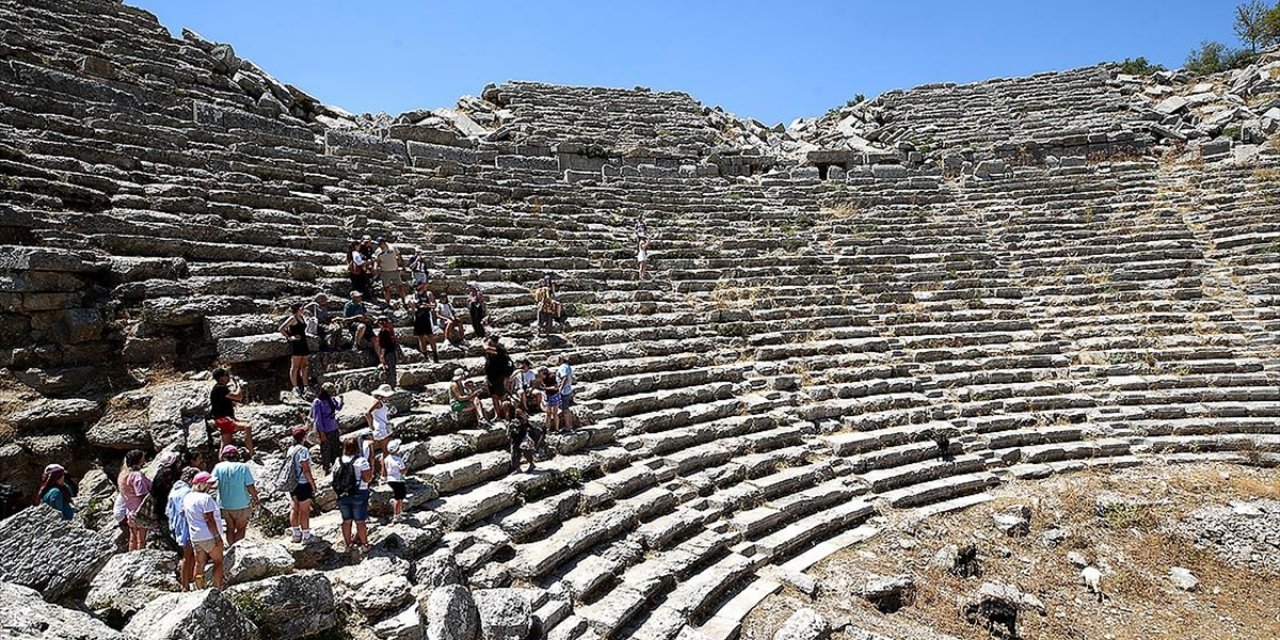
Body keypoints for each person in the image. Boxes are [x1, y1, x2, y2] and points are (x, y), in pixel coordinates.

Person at [183, 472, 225, 590]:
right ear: (203, 485)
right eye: (209, 483)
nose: (211, 486)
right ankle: (217, 587)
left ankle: (199, 588)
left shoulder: (187, 497)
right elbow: (209, 520)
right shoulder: (206, 498)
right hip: (209, 535)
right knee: (218, 561)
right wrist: (217, 537)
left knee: (199, 563)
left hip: (195, 536)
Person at [212, 445, 259, 545]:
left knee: (230, 527)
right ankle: (236, 549)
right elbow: (249, 485)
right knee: (241, 527)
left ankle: (231, 547)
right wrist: (255, 497)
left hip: (225, 504)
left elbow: (212, 483)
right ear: (237, 455)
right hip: (242, 503)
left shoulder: (218, 467)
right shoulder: (243, 467)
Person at [333, 438, 372, 553]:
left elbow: (334, 477)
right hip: (359, 493)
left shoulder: (338, 461)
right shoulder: (361, 461)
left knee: (346, 520)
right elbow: (367, 478)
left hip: (342, 494)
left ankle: (348, 545)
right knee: (360, 521)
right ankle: (365, 545)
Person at [166, 467, 199, 591]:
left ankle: (187, 581)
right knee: (190, 556)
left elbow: (169, 510)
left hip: (178, 527)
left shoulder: (175, 490)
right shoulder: (187, 492)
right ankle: (186, 584)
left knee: (187, 555)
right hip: (187, 526)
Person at [210, 368, 255, 455]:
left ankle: (221, 461)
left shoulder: (218, 388)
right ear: (221, 377)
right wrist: (239, 385)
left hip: (220, 419)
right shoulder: (220, 388)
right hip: (224, 419)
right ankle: (251, 452)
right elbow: (238, 397)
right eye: (226, 375)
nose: (228, 377)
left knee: (225, 444)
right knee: (247, 426)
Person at [148, 449, 184, 551]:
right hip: (167, 508)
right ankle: (180, 551)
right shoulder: (169, 475)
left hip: (161, 509)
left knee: (168, 531)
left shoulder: (160, 473)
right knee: (172, 531)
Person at [285, 426, 316, 543]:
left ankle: (296, 534)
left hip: (293, 484)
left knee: (294, 508)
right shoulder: (303, 450)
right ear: (303, 437)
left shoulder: (290, 449)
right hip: (303, 483)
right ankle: (306, 536)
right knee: (304, 510)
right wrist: (312, 484)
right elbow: (306, 469)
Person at [118, 449, 151, 551]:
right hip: (140, 511)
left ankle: (130, 558)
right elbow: (142, 494)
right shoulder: (137, 476)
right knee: (141, 539)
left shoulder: (123, 475)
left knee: (133, 538)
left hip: (130, 510)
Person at [310, 382, 343, 469]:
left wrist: (341, 400)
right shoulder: (317, 402)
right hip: (325, 430)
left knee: (336, 448)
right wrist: (321, 432)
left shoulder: (331, 399)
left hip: (334, 428)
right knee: (326, 450)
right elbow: (317, 418)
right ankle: (326, 468)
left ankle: (336, 466)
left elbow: (338, 407)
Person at [280, 303, 310, 397]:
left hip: (304, 342)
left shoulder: (301, 317)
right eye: (302, 308)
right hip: (296, 344)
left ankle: (305, 386)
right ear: (297, 309)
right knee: (295, 366)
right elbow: (281, 328)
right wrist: (289, 337)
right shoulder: (292, 318)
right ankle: (295, 387)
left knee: (304, 366)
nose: (303, 309)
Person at [366, 385, 395, 479]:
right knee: (386, 452)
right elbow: (367, 413)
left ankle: (384, 473)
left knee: (385, 452)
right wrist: (371, 426)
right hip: (381, 429)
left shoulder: (378, 401)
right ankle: (384, 475)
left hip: (382, 427)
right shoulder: (377, 402)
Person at [484, 337, 515, 420]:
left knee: (502, 397)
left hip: (499, 377)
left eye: (489, 340)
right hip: (491, 377)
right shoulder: (490, 351)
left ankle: (508, 414)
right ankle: (497, 415)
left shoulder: (500, 349)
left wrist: (483, 342)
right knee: (494, 397)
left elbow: (486, 348)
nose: (487, 341)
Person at [374, 237, 407, 308]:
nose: (379, 245)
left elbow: (399, 256)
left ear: (384, 242)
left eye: (380, 243)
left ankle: (404, 301)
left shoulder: (393, 247)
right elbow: (377, 261)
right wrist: (375, 268)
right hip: (385, 271)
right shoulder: (378, 251)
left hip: (395, 270)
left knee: (400, 287)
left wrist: (403, 266)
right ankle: (387, 302)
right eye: (378, 244)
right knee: (386, 288)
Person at [411, 287, 440, 363]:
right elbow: (412, 306)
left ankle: (435, 354)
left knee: (430, 336)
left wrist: (426, 305)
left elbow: (433, 305)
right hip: (418, 317)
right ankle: (425, 355)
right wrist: (413, 306)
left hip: (426, 316)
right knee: (420, 337)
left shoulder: (428, 293)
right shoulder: (414, 295)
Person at [374, 316, 400, 389]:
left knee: (389, 370)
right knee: (392, 370)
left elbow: (384, 345)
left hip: (387, 353)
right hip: (391, 352)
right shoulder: (389, 331)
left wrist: (381, 356)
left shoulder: (384, 332)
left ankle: (391, 386)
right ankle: (392, 385)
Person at [384, 439, 407, 520]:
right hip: (398, 480)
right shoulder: (398, 460)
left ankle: (399, 512)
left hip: (390, 479)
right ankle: (397, 515)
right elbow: (403, 470)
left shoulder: (386, 458)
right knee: (398, 498)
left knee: (399, 497)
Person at [553, 354, 576, 431]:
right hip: (567, 389)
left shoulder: (563, 367)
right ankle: (570, 425)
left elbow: (565, 378)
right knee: (566, 409)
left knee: (565, 409)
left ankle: (568, 426)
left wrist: (560, 389)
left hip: (564, 391)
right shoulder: (566, 366)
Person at [538, 367, 562, 433]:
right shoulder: (543, 379)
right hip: (548, 395)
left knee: (555, 413)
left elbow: (555, 388)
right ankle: (548, 429)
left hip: (554, 395)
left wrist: (546, 388)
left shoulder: (552, 377)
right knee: (548, 413)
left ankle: (557, 429)